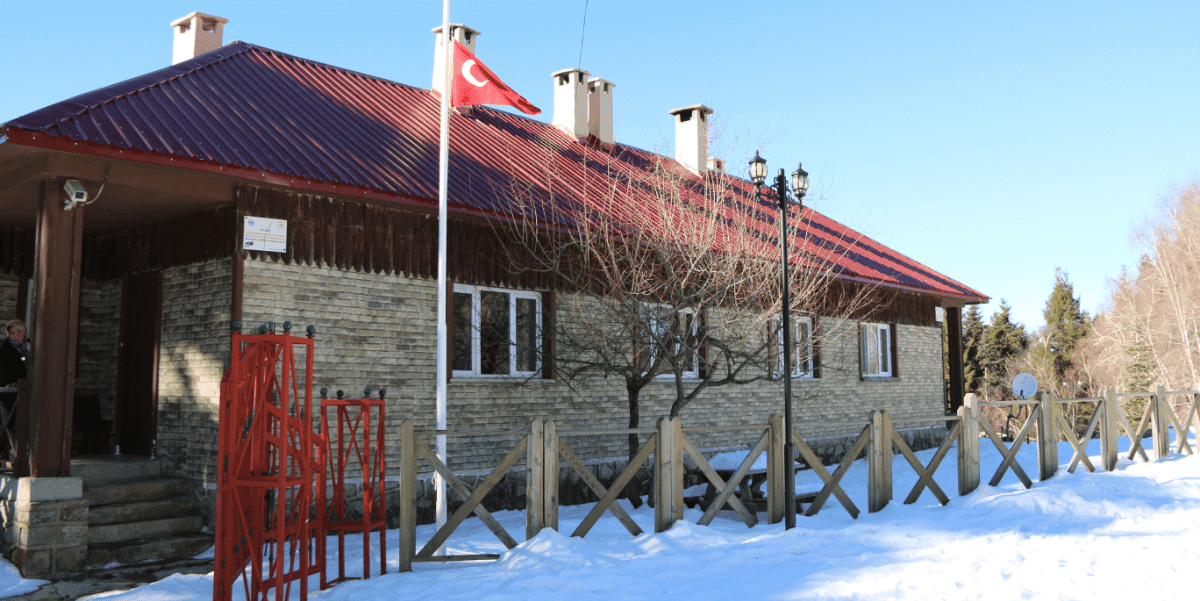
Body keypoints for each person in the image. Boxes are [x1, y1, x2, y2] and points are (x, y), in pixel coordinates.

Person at [0, 319, 30, 388]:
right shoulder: (5, 350)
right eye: (12, 333)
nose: (16, 335)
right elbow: (7, 372)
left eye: (19, 332)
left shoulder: (31, 345)